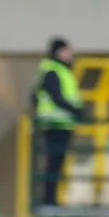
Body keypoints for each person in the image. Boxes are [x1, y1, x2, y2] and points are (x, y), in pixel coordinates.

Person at [33, 37, 84, 206]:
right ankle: (49, 199)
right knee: (54, 163)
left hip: (59, 124)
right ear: (58, 52)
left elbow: (36, 96)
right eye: (67, 51)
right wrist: (76, 111)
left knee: (55, 163)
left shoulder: (57, 70)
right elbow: (56, 97)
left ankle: (51, 199)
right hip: (56, 124)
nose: (70, 55)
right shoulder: (54, 70)